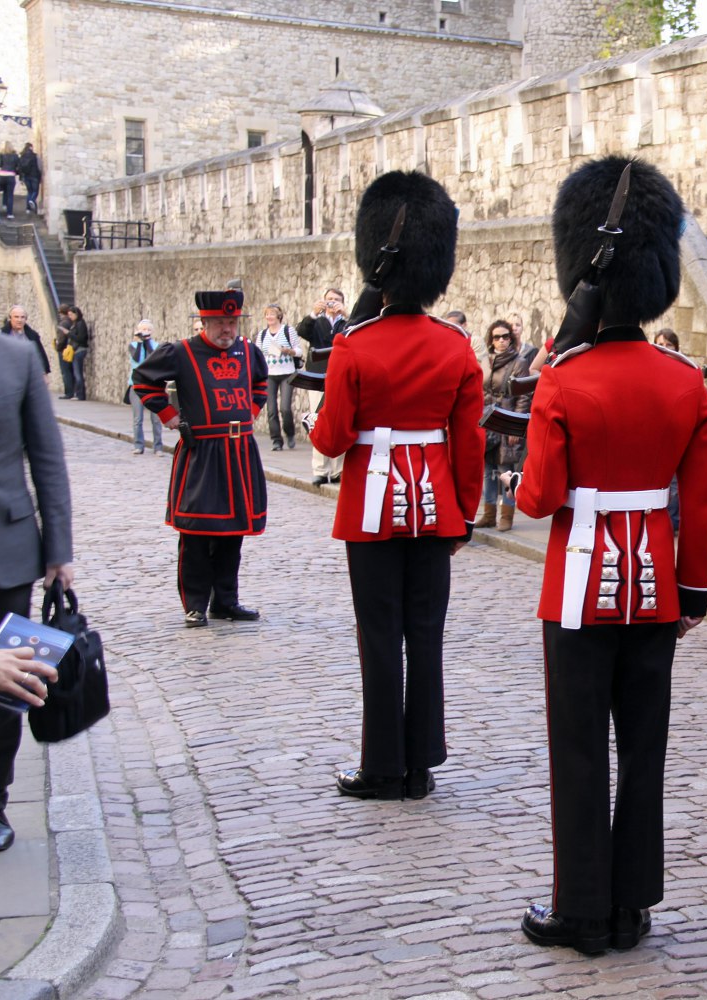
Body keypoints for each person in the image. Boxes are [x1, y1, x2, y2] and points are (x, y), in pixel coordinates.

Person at [513, 156, 707, 956]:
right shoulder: (681, 380)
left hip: (577, 588)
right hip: (657, 590)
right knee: (643, 749)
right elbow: (700, 503)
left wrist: (540, 396)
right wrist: (694, 594)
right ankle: (632, 904)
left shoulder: (565, 380)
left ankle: (581, 908)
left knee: (577, 749)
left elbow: (535, 499)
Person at [306, 171, 483, 802]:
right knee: (425, 634)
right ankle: (422, 763)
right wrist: (463, 514)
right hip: (436, 507)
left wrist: (310, 422)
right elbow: (468, 443)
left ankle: (382, 764)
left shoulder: (354, 346)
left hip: (372, 509)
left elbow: (331, 438)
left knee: (379, 636)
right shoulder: (457, 347)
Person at [132, 287, 268, 627]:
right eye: (220, 323)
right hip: (202, 454)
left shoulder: (248, 351)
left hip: (239, 453)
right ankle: (195, 603)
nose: (227, 330)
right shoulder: (181, 352)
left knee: (231, 533)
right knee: (195, 532)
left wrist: (249, 412)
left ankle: (225, 601)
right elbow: (144, 381)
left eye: (232, 322)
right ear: (204, 322)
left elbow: (261, 384)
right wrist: (169, 416)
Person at [0, 332, 74, 852]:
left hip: (8, 550)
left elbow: (47, 457)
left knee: (8, 688)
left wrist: (58, 551)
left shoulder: (19, 357)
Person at [476, 319, 528, 531]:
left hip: (507, 421)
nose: (501, 341)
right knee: (488, 470)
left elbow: (523, 397)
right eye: (497, 337)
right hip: (488, 421)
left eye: (505, 336)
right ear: (491, 340)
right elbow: (481, 391)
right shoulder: (486, 361)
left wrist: (515, 426)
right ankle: (489, 514)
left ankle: (507, 516)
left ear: (511, 338)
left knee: (505, 470)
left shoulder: (519, 362)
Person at [297, 289, 348, 485]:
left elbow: (356, 332)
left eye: (336, 300)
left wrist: (346, 314)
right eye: (329, 300)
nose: (332, 303)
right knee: (317, 420)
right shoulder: (316, 321)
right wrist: (312, 313)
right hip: (317, 376)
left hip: (340, 376)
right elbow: (302, 331)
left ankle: (338, 470)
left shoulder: (346, 323)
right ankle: (320, 469)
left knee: (339, 421)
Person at [256, 305, 302, 451]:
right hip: (269, 374)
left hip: (286, 372)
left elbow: (299, 351)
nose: (269, 317)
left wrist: (290, 351)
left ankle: (290, 433)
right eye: (267, 314)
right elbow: (258, 354)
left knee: (285, 408)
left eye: (272, 314)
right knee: (271, 410)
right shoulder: (262, 335)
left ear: (279, 316)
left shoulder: (288, 331)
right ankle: (276, 440)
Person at [127, 320, 165, 455]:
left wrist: (147, 341)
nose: (144, 331)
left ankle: (158, 447)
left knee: (156, 418)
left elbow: (152, 357)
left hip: (153, 385)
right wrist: (139, 341)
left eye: (147, 329)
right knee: (138, 418)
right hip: (136, 386)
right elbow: (137, 359)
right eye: (142, 329)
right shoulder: (132, 345)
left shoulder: (156, 346)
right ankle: (138, 445)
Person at [6, 305, 50, 374]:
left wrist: (43, 373)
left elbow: (39, 354)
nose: (19, 320)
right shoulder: (2, 335)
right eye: (16, 317)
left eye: (22, 317)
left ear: (26, 319)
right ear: (10, 318)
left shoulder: (32, 336)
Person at [61, 305, 90, 401]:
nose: (70, 317)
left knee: (78, 373)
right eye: (68, 315)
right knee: (76, 372)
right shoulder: (76, 323)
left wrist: (68, 333)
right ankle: (78, 393)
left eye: (71, 314)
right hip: (75, 350)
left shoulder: (80, 323)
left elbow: (81, 338)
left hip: (79, 350)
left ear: (76, 314)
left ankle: (80, 395)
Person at [17, 144, 41, 216]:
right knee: (35, 191)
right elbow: (39, 166)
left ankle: (28, 209)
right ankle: (32, 200)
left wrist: (21, 178)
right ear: (30, 147)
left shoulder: (22, 156)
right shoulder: (34, 156)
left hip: (26, 176)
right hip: (34, 176)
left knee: (29, 192)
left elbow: (20, 168)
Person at [0, 143, 18, 219]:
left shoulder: (2, 155)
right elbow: (18, 165)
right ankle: (9, 213)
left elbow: (0, 164)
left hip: (1, 175)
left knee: (4, 191)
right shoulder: (15, 156)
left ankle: (4, 205)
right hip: (10, 175)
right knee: (10, 195)